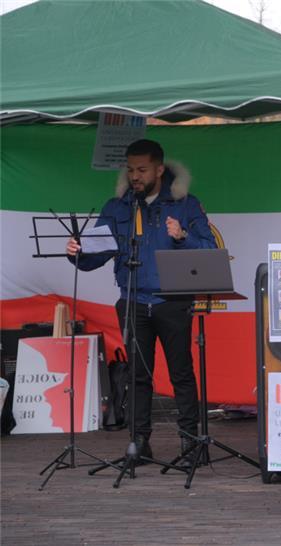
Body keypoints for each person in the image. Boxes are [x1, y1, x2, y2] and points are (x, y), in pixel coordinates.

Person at [66, 139, 216, 464]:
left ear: (159, 169)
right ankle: (138, 443)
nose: (135, 175)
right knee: (137, 375)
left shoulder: (185, 204)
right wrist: (78, 253)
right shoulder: (116, 207)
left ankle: (191, 443)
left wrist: (182, 237)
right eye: (131, 169)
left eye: (142, 169)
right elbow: (96, 256)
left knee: (181, 374)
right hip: (132, 300)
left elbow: (209, 248)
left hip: (173, 302)